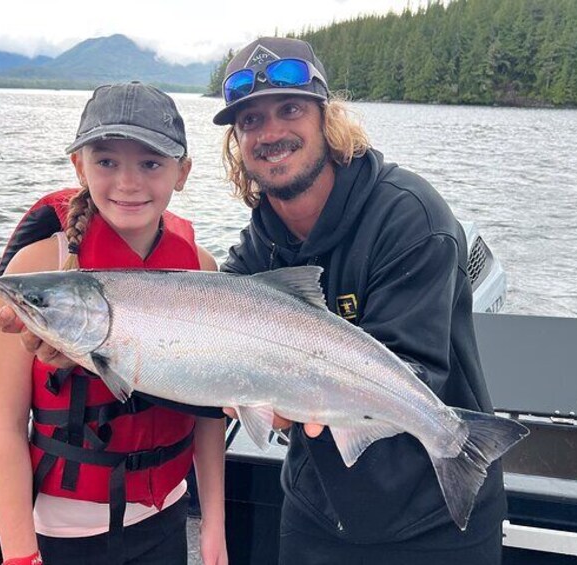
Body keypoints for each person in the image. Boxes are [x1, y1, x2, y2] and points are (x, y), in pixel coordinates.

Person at [212, 37, 506, 564]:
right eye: (250, 121)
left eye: (290, 109)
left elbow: (415, 371)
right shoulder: (260, 246)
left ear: (328, 118)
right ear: (237, 141)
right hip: (319, 510)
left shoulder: (411, 218)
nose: (271, 132)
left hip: (437, 517)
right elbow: (199, 332)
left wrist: (282, 394)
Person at [0, 82, 228, 565]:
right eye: (107, 161)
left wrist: (215, 524)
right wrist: (19, 556)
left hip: (167, 514)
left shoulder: (202, 269)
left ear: (182, 173)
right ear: (79, 166)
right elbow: (3, 428)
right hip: (65, 532)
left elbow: (208, 411)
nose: (128, 183)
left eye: (151, 163)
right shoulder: (33, 275)